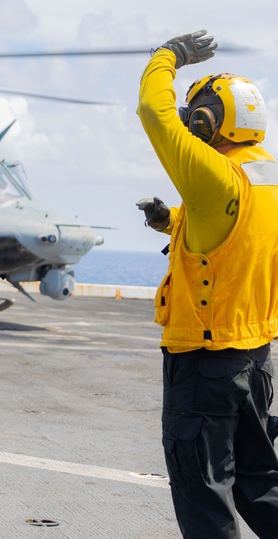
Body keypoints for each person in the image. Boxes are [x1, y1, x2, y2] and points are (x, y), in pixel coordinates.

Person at [136, 30, 278, 538]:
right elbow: (232, 238)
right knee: (260, 484)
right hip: (257, 360)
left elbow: (154, 114)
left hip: (203, 366)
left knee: (204, 495)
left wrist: (165, 57)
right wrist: (171, 220)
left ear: (205, 120)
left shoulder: (212, 174)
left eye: (195, 115)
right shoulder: (267, 179)